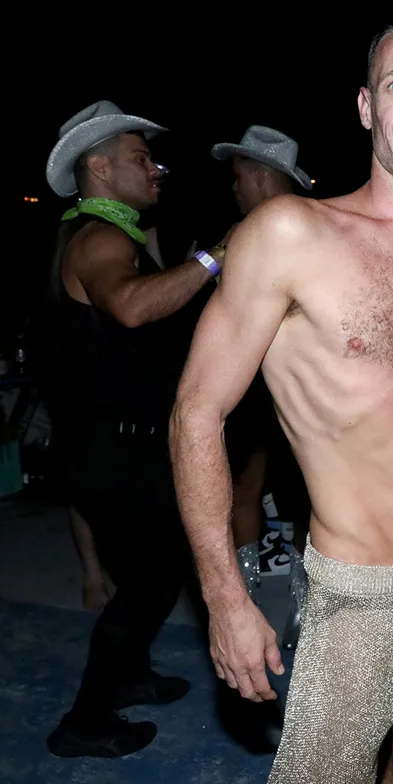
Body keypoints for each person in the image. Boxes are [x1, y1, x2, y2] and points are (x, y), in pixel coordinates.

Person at [169, 12, 393, 784]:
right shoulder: (290, 234)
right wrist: (225, 597)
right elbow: (195, 414)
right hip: (360, 589)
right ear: (365, 106)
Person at [42, 101, 228, 757]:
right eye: (140, 157)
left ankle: (130, 677)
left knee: (149, 573)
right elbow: (129, 306)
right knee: (150, 585)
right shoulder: (101, 239)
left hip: (110, 444)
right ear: (99, 167)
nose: (156, 168)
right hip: (118, 451)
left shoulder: (103, 232)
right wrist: (215, 258)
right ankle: (85, 720)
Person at [210, 125, 314, 649]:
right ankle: (255, 598)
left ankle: (307, 603)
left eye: (238, 178)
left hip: (303, 394)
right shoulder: (243, 235)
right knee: (247, 491)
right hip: (255, 392)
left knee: (312, 499)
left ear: (258, 176)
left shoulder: (310, 231)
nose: (234, 188)